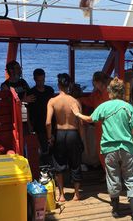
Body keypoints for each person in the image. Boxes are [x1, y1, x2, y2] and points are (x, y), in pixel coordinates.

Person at [72, 77, 133, 221]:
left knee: (113, 178)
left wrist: (77, 113)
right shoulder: (127, 107)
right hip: (127, 148)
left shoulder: (104, 106)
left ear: (110, 91)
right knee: (131, 179)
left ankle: (116, 211)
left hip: (109, 149)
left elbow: (89, 119)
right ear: (123, 92)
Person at [46, 73, 84, 202]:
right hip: (73, 134)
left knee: (59, 165)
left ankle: (61, 195)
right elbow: (81, 124)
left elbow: (48, 122)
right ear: (69, 86)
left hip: (60, 134)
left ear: (58, 85)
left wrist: (49, 137)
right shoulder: (75, 101)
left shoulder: (52, 101)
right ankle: (77, 194)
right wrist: (82, 140)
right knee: (75, 163)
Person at [78, 71, 111, 169]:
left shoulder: (109, 94)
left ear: (99, 82)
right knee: (101, 151)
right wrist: (79, 99)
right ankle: (107, 174)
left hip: (108, 127)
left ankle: (110, 175)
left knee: (109, 152)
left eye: (94, 81)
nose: (93, 83)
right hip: (99, 128)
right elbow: (90, 102)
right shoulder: (96, 94)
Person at [27, 68, 55, 165]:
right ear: (34, 79)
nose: (41, 82)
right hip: (38, 125)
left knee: (53, 146)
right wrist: (29, 125)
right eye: (38, 80)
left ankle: (52, 165)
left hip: (51, 123)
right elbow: (27, 110)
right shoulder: (31, 93)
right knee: (43, 148)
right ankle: (45, 166)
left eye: (42, 80)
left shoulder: (50, 90)